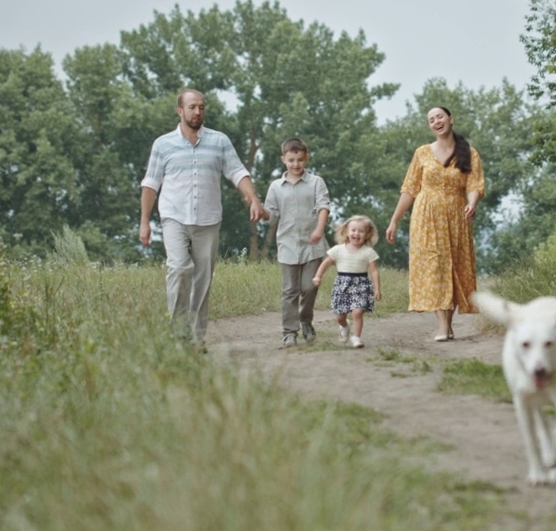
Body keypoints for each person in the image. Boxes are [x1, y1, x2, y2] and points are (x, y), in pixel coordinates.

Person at [139, 88, 267, 345]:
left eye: (201, 107)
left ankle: (196, 339)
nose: (198, 112)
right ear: (180, 111)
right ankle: (178, 335)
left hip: (208, 219)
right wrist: (144, 222)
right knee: (179, 269)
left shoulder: (219, 141)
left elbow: (237, 172)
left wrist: (253, 198)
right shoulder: (163, 144)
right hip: (174, 216)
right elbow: (151, 184)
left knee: (202, 280)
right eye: (192, 107)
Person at [384, 106, 484, 342]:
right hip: (426, 217)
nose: (436, 121)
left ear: (450, 119)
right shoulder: (422, 153)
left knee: (453, 267)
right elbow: (410, 189)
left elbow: (474, 185)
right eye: (431, 119)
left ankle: (448, 325)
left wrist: (472, 204)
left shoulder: (469, 153)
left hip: (456, 216)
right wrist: (394, 220)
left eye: (440, 116)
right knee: (435, 266)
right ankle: (442, 326)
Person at [263, 137, 331, 346]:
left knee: (310, 287)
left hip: (313, 245)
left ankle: (306, 320)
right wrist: (260, 211)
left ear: (306, 158)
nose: (296, 164)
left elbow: (323, 207)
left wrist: (319, 230)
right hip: (288, 246)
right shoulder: (276, 187)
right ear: (283, 159)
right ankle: (289, 331)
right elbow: (272, 215)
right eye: (291, 160)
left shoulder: (315, 182)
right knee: (290, 290)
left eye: (300, 160)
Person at [313, 215, 381, 349]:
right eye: (353, 230)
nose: (356, 233)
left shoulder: (368, 252)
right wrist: (318, 276)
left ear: (367, 235)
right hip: (342, 285)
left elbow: (374, 271)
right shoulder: (338, 250)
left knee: (358, 312)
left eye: (361, 231)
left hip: (361, 285)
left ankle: (356, 337)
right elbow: (326, 263)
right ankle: (344, 326)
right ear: (346, 232)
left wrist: (377, 288)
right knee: (340, 316)